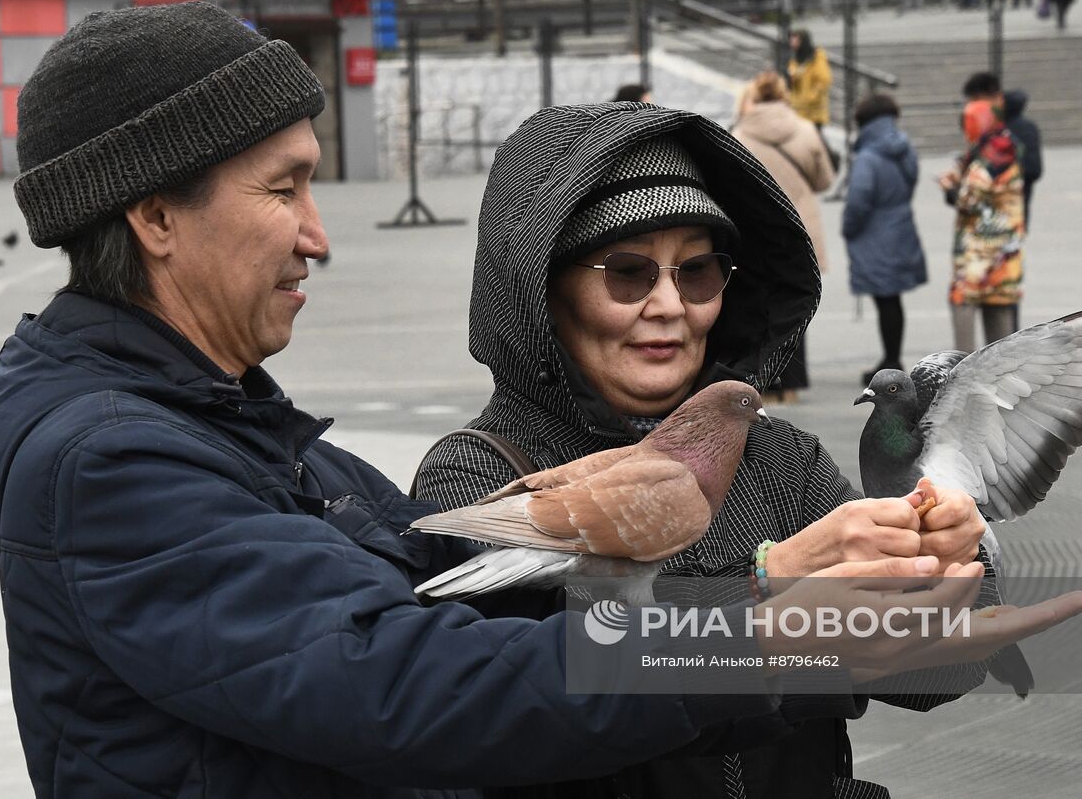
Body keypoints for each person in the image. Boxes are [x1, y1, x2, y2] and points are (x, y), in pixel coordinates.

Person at [0, 2, 1081, 798]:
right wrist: (770, 624)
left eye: (699, 271)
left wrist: (918, 576)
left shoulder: (241, 427)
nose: (318, 231)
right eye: (284, 186)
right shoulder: (110, 463)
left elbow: (923, 660)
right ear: (155, 217)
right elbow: (424, 679)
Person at [412, 103, 1012, 799]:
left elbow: (936, 674)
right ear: (542, 289)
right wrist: (777, 597)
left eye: (698, 272)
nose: (670, 305)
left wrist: (951, 565)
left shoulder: (781, 462)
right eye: (629, 272)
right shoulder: (475, 472)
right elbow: (540, 689)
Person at [731, 70, 834, 404]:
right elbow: (824, 180)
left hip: (755, 231)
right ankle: (791, 382)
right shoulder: (805, 130)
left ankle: (765, 380)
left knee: (758, 306)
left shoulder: (740, 133)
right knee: (797, 300)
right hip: (799, 228)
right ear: (784, 96)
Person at [841, 94, 926, 385]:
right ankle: (892, 355)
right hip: (901, 227)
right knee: (892, 298)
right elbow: (912, 181)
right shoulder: (903, 149)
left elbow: (858, 200)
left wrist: (849, 228)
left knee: (885, 298)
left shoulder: (868, 157)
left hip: (875, 234)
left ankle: (891, 358)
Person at [939, 86, 1026, 352]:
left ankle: (962, 367)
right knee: (1000, 323)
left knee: (962, 305)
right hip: (1005, 254)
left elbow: (969, 199)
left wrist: (950, 188)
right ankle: (1005, 380)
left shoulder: (987, 159)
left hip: (977, 255)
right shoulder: (1007, 147)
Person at [1002, 89, 1043, 232]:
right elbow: (1035, 170)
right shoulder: (1029, 128)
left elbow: (1033, 169)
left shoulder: (1001, 129)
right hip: (1019, 198)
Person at [786, 29, 831, 130]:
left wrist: (811, 98)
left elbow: (824, 80)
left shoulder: (817, 57)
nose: (792, 43)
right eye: (791, 40)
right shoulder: (794, 60)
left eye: (796, 40)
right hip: (798, 111)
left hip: (814, 113)